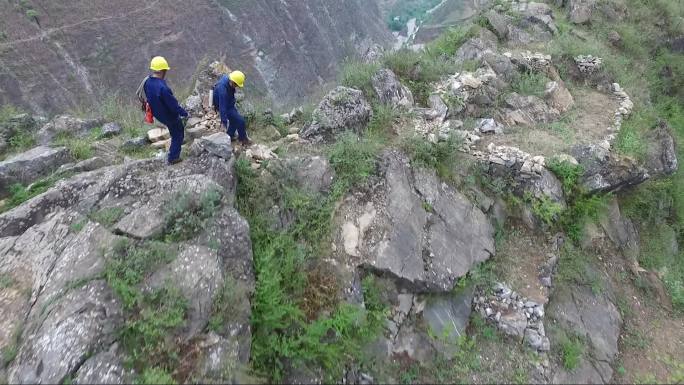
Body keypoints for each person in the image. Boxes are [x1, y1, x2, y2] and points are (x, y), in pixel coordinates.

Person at [143, 56, 189, 164]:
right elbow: (173, 105)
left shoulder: (147, 82)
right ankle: (173, 157)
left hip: (157, 113)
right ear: (163, 71)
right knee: (178, 134)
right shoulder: (162, 88)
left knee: (174, 132)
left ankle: (172, 151)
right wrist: (185, 113)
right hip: (169, 116)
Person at [213, 70, 252, 146]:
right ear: (233, 82)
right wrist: (223, 123)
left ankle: (230, 136)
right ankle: (243, 139)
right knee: (241, 121)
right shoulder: (223, 90)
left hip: (229, 103)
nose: (237, 87)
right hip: (225, 105)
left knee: (234, 121)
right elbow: (222, 106)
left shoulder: (228, 78)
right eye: (236, 85)